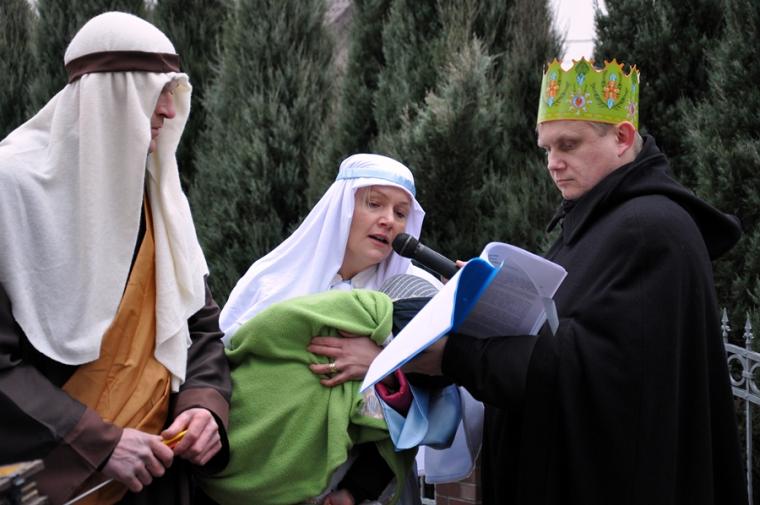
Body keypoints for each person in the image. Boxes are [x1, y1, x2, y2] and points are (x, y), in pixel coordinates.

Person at [405, 58, 748, 504]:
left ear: (622, 137)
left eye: (568, 144)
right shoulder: (596, 219)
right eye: (546, 148)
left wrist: (460, 356)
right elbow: (561, 330)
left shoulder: (649, 228)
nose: (553, 163)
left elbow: (597, 374)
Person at [0, 12, 231, 505]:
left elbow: (199, 325)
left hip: (155, 478)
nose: (168, 109)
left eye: (173, 91)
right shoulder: (10, 189)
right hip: (47, 480)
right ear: (109, 95)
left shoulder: (161, 198)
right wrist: (98, 443)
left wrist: (203, 405)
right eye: (156, 91)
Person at [218, 154, 448, 504]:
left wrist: (383, 363)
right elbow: (230, 368)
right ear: (342, 207)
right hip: (260, 477)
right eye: (374, 204)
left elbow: (428, 404)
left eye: (401, 213)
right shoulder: (273, 277)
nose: (388, 220)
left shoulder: (416, 294)